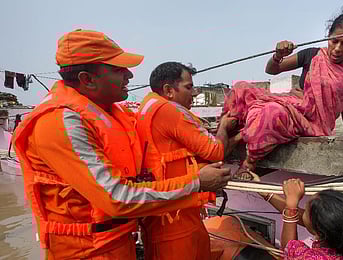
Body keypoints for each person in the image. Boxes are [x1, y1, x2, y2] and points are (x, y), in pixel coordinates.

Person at [13, 29, 230, 259]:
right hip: (86, 252)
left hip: (121, 242)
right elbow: (116, 197)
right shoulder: (59, 122)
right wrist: (197, 182)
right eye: (118, 69)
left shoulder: (113, 112)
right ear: (87, 79)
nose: (129, 75)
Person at [223, 4, 343, 176]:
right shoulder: (312, 54)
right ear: (328, 36)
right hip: (291, 102)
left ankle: (248, 163)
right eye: (334, 41)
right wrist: (278, 55)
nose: (337, 48)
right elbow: (272, 70)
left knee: (271, 113)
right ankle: (225, 135)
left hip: (312, 121)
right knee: (241, 89)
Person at [136, 61, 242, 260]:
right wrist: (224, 128)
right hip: (175, 221)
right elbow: (215, 151)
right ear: (168, 90)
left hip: (171, 213)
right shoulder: (168, 111)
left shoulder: (148, 107)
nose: (193, 93)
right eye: (188, 87)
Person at [251, 174, 343, 260]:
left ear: (320, 233)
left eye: (305, 211)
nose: (301, 211)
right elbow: (303, 218)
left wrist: (292, 203)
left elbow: (289, 248)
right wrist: (265, 193)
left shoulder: (309, 257)